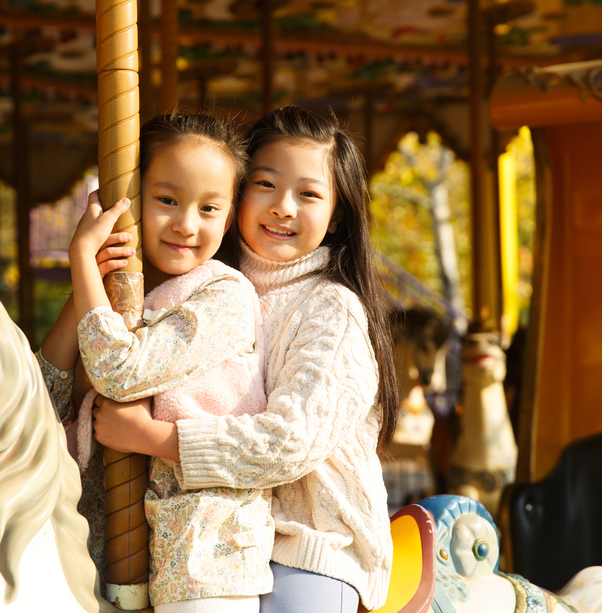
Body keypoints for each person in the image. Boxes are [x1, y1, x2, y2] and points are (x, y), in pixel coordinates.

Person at [92, 106, 400, 613]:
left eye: (309, 194)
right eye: (266, 185)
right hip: (210, 529)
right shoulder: (201, 285)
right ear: (237, 198)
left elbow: (289, 439)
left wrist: (155, 439)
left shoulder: (332, 309)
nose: (283, 207)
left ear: (337, 213)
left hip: (308, 543)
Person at [35, 113, 273, 613]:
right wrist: (89, 283)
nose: (187, 223)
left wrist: (80, 255)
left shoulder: (224, 297)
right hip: (98, 548)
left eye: (209, 208)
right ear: (132, 204)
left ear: (228, 219)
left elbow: (119, 373)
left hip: (204, 552)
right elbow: (43, 396)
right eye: (167, 200)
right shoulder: (119, 300)